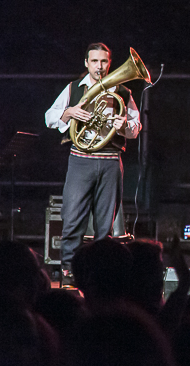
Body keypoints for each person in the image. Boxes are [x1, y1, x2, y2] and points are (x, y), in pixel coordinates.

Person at [44, 43, 140, 281]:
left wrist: (124, 125)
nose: (99, 66)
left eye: (104, 62)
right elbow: (49, 117)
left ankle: (101, 274)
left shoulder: (123, 92)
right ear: (86, 63)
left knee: (105, 225)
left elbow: (136, 128)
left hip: (110, 161)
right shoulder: (73, 89)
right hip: (81, 159)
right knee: (72, 219)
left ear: (110, 64)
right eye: (94, 61)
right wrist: (69, 113)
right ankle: (68, 271)